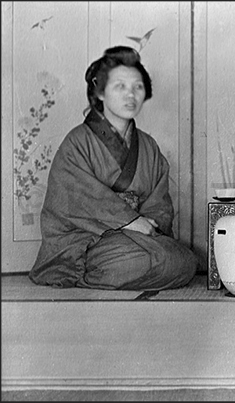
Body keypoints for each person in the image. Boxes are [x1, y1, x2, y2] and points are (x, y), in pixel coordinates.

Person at [29, 46, 198, 290]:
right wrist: (129, 221)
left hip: (136, 237)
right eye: (120, 86)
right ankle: (92, 270)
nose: (130, 95)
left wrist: (145, 224)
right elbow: (77, 199)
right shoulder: (77, 142)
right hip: (88, 239)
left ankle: (124, 267)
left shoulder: (148, 145)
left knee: (184, 261)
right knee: (147, 260)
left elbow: (159, 203)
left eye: (137, 87)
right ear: (100, 93)